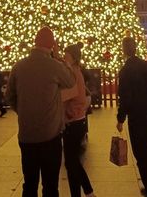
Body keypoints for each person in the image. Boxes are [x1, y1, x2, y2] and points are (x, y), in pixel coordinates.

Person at [6, 26, 76, 197]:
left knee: (29, 183)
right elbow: (70, 81)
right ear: (52, 45)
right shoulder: (54, 65)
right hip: (50, 135)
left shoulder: (19, 66)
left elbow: (9, 97)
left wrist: (23, 110)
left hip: (26, 135)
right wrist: (61, 59)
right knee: (50, 185)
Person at [116, 37, 147, 197]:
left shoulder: (126, 71)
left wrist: (120, 119)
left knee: (141, 155)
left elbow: (125, 97)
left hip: (137, 118)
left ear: (124, 50)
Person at [62, 43, 96, 197]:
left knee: (71, 162)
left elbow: (76, 96)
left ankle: (87, 191)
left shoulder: (73, 72)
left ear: (73, 57)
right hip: (76, 120)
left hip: (73, 121)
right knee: (72, 161)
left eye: (66, 54)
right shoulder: (74, 70)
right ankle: (84, 192)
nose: (64, 56)